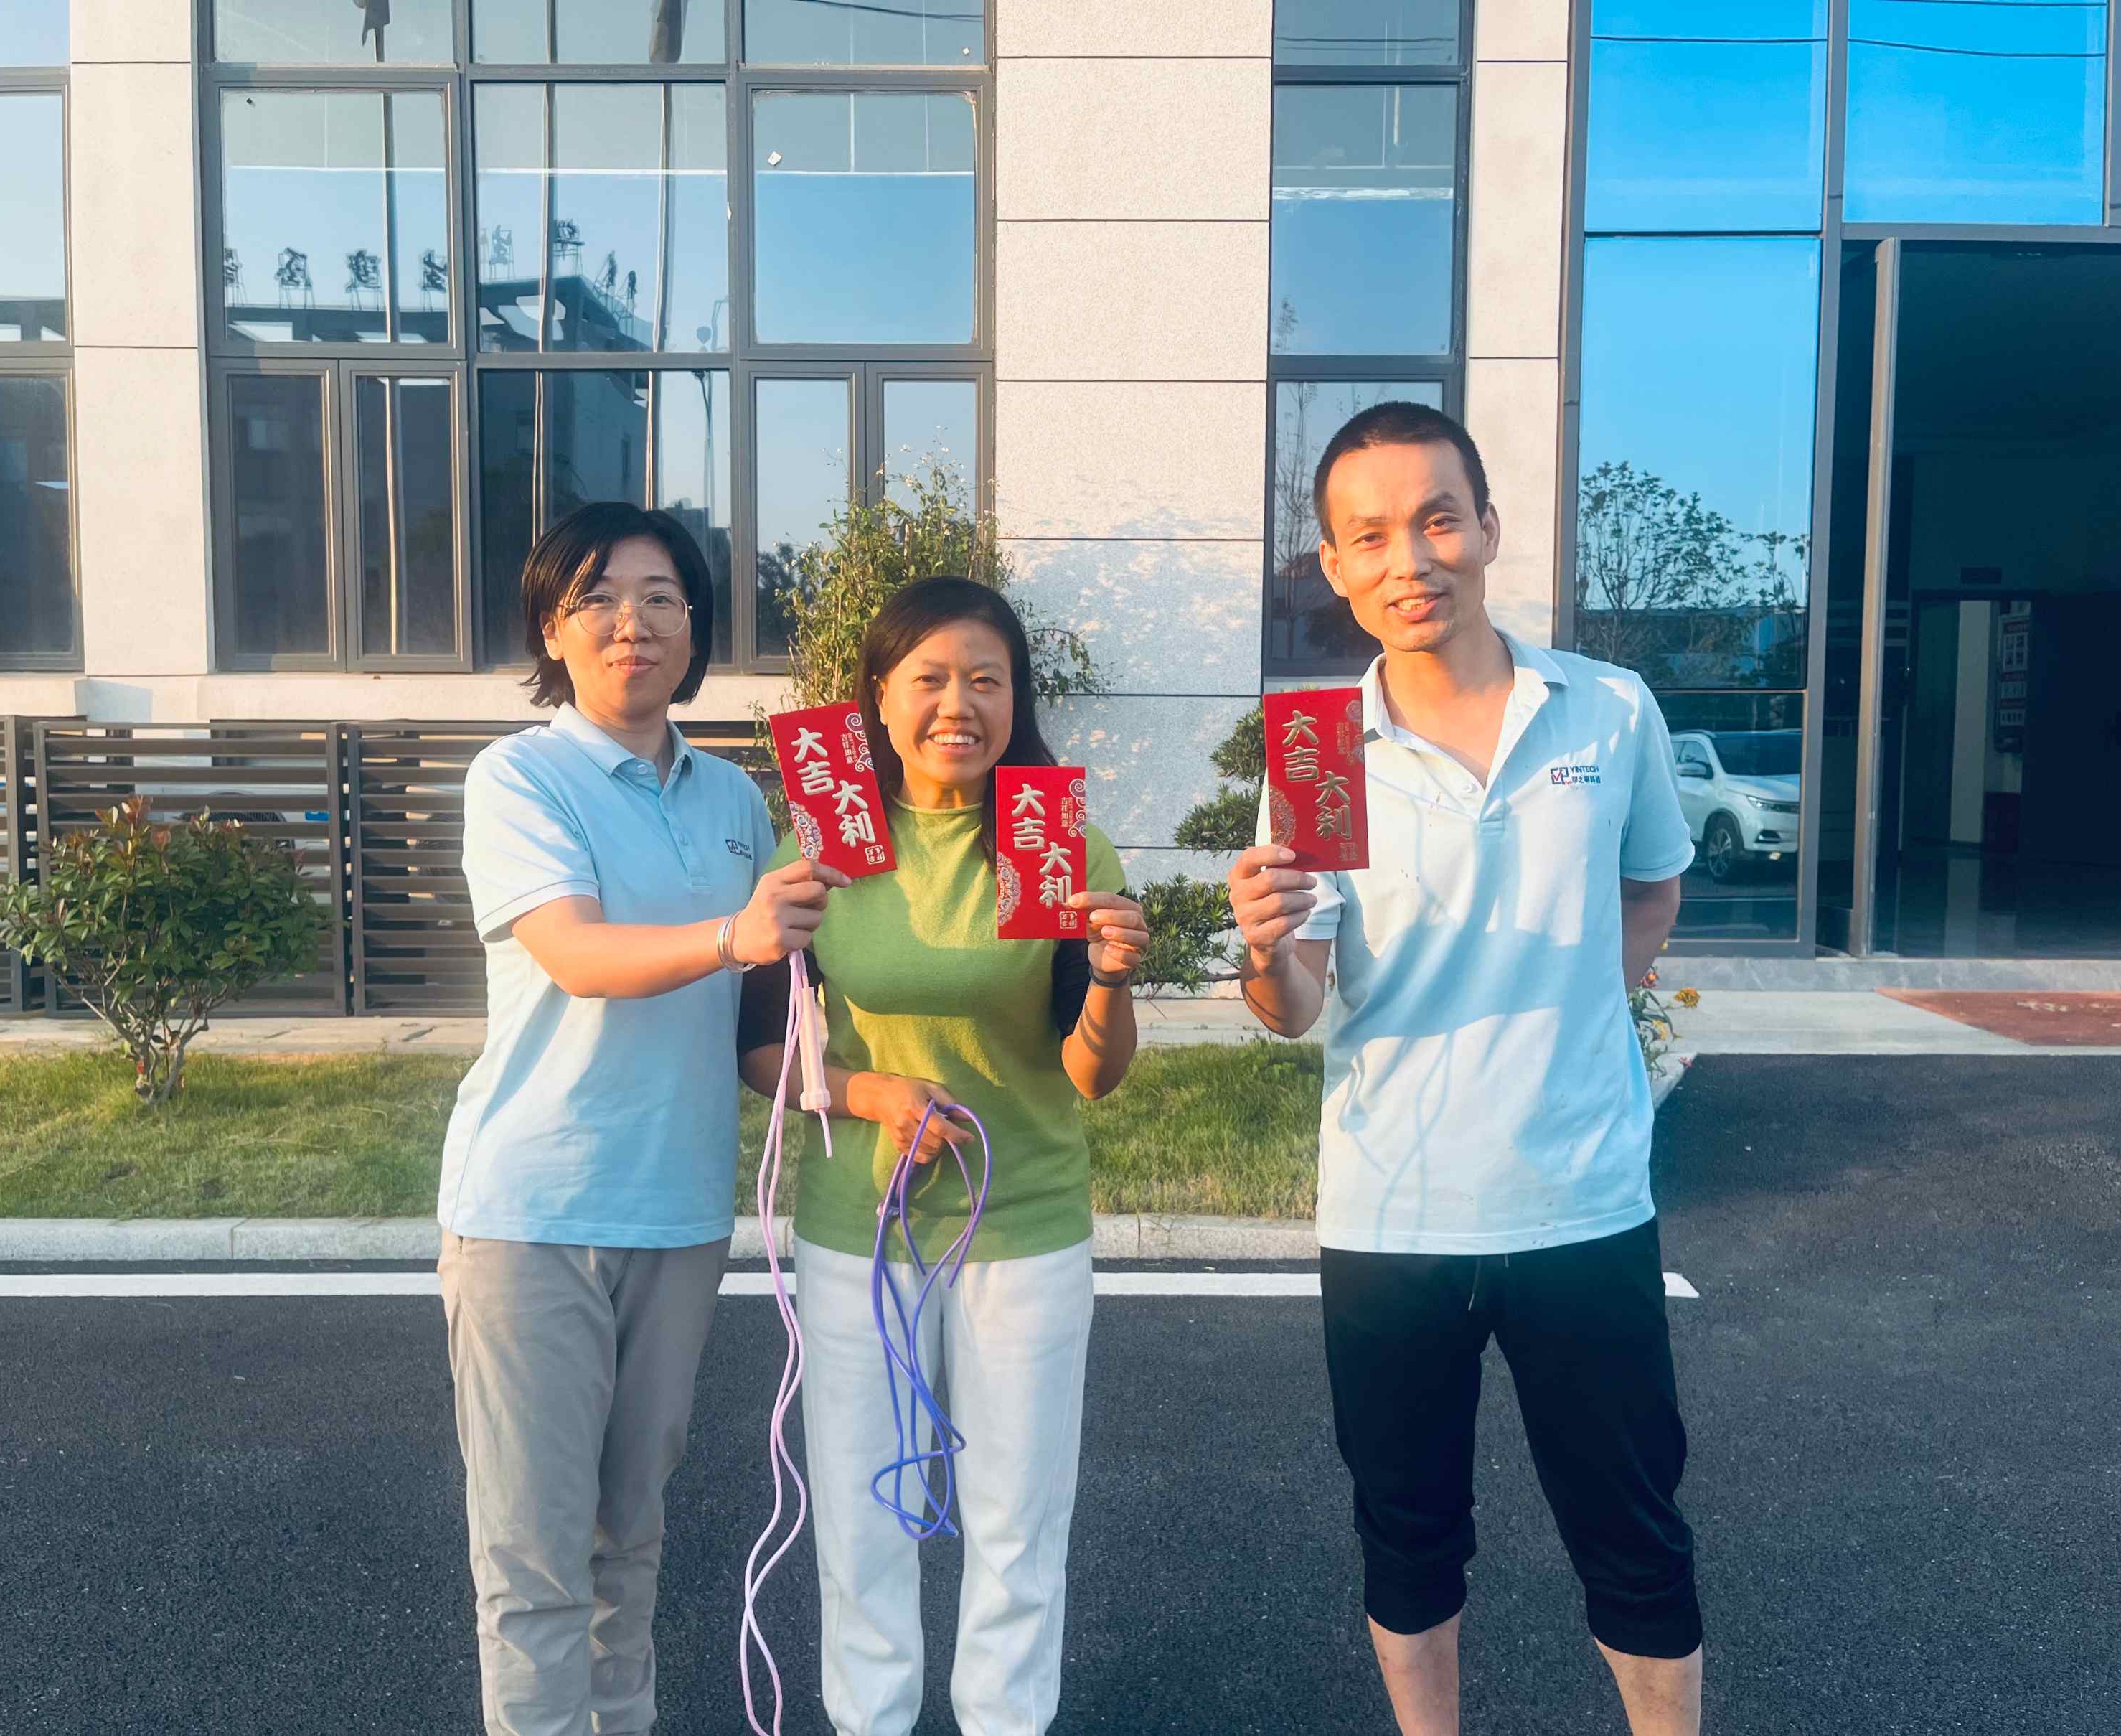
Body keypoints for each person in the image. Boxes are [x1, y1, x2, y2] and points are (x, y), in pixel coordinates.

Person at [1227, 403, 1704, 1736]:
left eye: (1438, 520)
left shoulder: (1605, 709)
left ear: (1487, 527)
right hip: (1392, 1213)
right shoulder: (1317, 749)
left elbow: (1651, 889)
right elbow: (1294, 1004)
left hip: (1581, 1201)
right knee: (1408, 1531)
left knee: (1633, 1530)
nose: (1410, 560)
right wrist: (1262, 952)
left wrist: (1574, 1009)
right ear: (1334, 565)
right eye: (1370, 536)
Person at [438, 501, 847, 1736]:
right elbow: (574, 954)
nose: (634, 623)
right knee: (535, 1561)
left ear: (694, 628)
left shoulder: (735, 802)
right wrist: (734, 933)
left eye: (663, 598)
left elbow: (761, 1030)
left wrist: (867, 1064)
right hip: (535, 1213)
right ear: (551, 629)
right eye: (599, 599)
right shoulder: (519, 776)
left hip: (677, 1217)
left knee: (631, 1543)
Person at [739, 577, 1152, 1736]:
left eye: (986, 680)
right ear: (879, 696)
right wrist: (868, 1092)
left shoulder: (1055, 841)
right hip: (856, 1225)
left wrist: (1111, 977)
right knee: (861, 1516)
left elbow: (1092, 1074)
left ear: (1017, 700)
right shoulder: (820, 843)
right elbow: (763, 1051)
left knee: (1019, 1517)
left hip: (1024, 1222)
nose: (957, 705)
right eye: (929, 679)